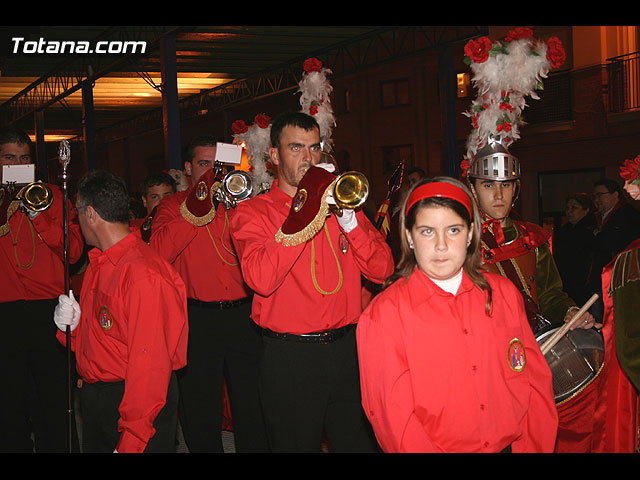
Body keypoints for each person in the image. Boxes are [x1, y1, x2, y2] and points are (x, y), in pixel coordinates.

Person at [229, 112, 394, 452]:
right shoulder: (253, 213)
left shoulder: (342, 205)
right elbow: (260, 279)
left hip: (348, 350)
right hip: (291, 357)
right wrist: (305, 211)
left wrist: (350, 222)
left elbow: (383, 270)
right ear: (274, 156)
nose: (309, 158)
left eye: (314, 148)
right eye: (296, 148)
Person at [356, 176, 558, 452]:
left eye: (453, 230)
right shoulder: (384, 315)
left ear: (471, 234)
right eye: (427, 231)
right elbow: (395, 420)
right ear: (409, 237)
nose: (441, 245)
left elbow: (534, 383)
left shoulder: (503, 294)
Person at [53, 170, 188, 453]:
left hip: (134, 403)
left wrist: (132, 439)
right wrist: (73, 329)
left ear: (90, 214)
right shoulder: (100, 262)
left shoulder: (143, 274)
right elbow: (110, 337)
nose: (77, 221)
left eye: (78, 212)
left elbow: (149, 368)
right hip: (99, 398)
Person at [150, 135, 268, 453]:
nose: (214, 172)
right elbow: (158, 253)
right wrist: (197, 207)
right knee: (200, 404)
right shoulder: (173, 206)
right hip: (197, 317)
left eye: (221, 165)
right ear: (188, 168)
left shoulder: (243, 200)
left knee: (252, 402)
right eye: (205, 164)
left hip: (245, 314)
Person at [0, 127, 84, 452]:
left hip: (48, 309)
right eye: (9, 158)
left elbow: (74, 251)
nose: (18, 164)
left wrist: (40, 219)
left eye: (24, 158)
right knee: (8, 401)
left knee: (54, 398)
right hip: (5, 310)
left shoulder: (51, 194)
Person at [463, 138, 597, 334]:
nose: (499, 195)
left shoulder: (533, 238)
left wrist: (571, 312)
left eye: (506, 185)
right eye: (489, 185)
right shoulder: (461, 242)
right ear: (474, 190)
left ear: (515, 188)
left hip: (532, 345)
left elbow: (549, 295)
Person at [587, 178, 640, 321]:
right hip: (599, 281)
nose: (596, 200)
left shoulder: (628, 215)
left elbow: (610, 244)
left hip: (616, 282)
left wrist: (598, 236)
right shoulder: (595, 218)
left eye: (600, 195)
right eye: (594, 196)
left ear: (615, 194)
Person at [553, 193, 596, 306]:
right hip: (566, 282)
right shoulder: (565, 229)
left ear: (586, 210)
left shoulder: (591, 230)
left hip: (583, 284)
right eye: (567, 208)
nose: (569, 211)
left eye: (574, 208)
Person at [131, 171, 177, 242]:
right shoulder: (133, 230)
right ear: (145, 201)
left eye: (167, 196)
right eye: (155, 197)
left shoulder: (184, 227)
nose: (162, 202)